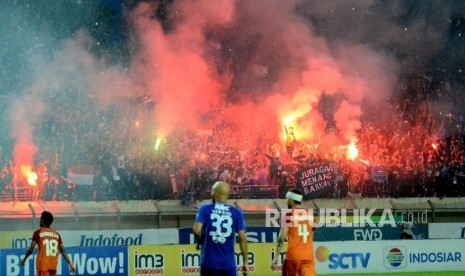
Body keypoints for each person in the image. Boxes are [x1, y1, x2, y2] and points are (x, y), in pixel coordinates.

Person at [193, 181, 249, 276]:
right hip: (228, 264)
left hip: (208, 263)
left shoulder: (204, 209)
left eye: (212, 191)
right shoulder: (237, 213)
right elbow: (242, 238)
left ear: (215, 193)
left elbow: (197, 231)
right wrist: (245, 262)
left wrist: (199, 241)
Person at [272, 189, 316, 276]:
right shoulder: (310, 215)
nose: (286, 201)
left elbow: (281, 237)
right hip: (308, 257)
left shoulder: (289, 215)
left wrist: (276, 256)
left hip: (293, 257)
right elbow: (311, 235)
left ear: (291, 201)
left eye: (287, 199)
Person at [21, 211, 75, 276]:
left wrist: (24, 259)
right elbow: (63, 251)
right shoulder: (56, 234)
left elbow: (31, 249)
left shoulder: (38, 233)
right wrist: (70, 263)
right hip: (53, 266)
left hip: (43, 266)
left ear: (43, 221)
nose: (39, 220)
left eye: (40, 219)